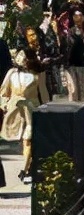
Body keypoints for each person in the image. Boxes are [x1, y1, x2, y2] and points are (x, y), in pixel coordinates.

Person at [1, 48, 52, 184]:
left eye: (25, 56)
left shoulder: (38, 74)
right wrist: (4, 104)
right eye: (20, 55)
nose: (22, 58)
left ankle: (24, 169)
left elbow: (43, 92)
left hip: (31, 109)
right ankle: (30, 165)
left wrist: (47, 109)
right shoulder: (11, 73)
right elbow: (4, 92)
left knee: (28, 139)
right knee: (23, 142)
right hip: (15, 111)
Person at [57, 1, 84, 102]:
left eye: (81, 15)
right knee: (74, 93)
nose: (79, 18)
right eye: (76, 16)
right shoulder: (70, 32)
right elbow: (67, 50)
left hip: (83, 67)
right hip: (72, 67)